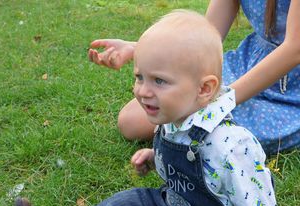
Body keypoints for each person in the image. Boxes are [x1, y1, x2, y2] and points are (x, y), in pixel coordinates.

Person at [14, 10, 280, 206]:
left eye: (159, 81)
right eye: (140, 77)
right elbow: (193, 165)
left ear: (204, 89)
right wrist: (155, 158)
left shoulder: (232, 146)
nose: (142, 90)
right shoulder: (175, 115)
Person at [88, 0, 300, 156]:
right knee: (131, 121)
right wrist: (140, 48)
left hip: (292, 87)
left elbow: (294, 49)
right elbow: (205, 37)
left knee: (214, 135)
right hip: (250, 63)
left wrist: (221, 103)